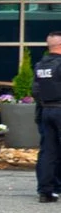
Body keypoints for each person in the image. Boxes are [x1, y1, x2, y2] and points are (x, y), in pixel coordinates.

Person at [34, 29, 61, 202]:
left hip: (46, 110)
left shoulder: (40, 65)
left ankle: (46, 191)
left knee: (48, 152)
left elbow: (35, 91)